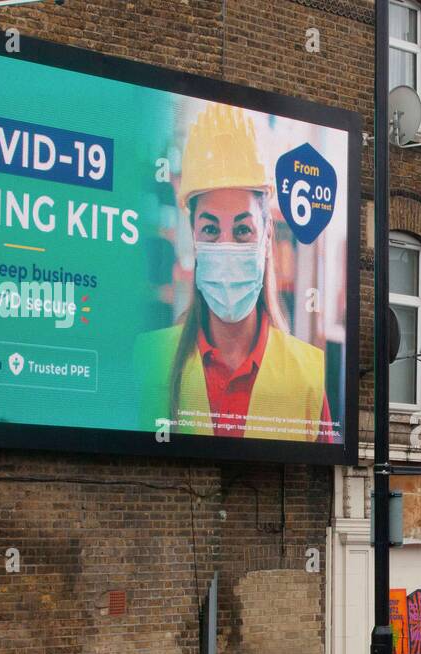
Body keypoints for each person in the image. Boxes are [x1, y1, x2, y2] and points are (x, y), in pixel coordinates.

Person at [134, 104, 334, 441]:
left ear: (267, 234)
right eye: (211, 230)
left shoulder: (307, 377)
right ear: (192, 235)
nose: (226, 246)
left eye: (243, 230)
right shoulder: (148, 360)